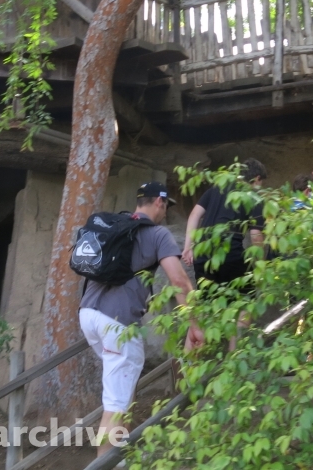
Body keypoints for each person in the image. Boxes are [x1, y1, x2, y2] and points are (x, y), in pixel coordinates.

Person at [79, 182, 203, 458]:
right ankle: (104, 463)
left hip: (88, 315)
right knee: (116, 402)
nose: (166, 213)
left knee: (123, 390)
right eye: (166, 207)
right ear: (159, 202)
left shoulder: (116, 224)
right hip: (117, 323)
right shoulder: (157, 234)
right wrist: (195, 325)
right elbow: (180, 281)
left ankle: (120, 458)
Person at [182, 157, 267, 287]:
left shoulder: (215, 189)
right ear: (257, 178)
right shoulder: (253, 198)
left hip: (202, 257)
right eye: (261, 183)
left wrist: (188, 247)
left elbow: (194, 215)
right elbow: (255, 235)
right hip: (230, 256)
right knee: (243, 301)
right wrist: (260, 264)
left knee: (208, 304)